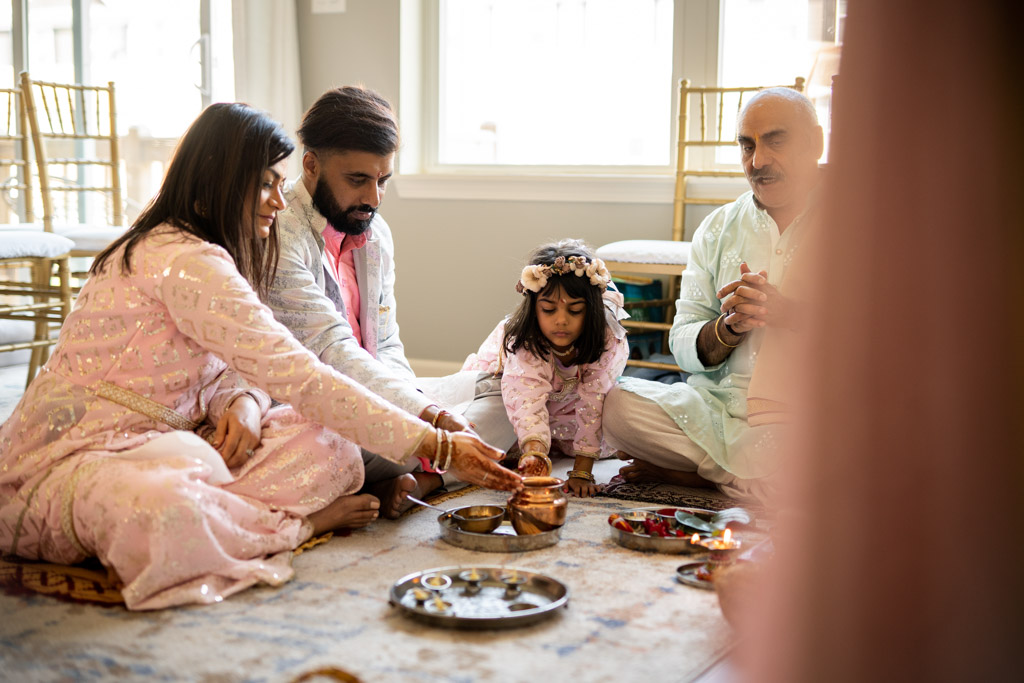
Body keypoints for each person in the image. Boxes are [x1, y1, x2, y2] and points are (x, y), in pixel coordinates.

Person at [0, 103, 520, 611]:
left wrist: (244, 401)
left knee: (332, 438)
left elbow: (230, 362)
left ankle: (232, 512)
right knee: (162, 511)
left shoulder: (223, 250)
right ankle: (298, 525)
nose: (277, 199)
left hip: (187, 438)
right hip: (84, 455)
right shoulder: (181, 257)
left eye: (279, 182)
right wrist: (436, 441)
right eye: (267, 183)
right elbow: (301, 371)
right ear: (220, 180)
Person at [265, 86, 516, 518]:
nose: (374, 198)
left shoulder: (374, 232)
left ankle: (423, 477)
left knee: (510, 398)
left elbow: (387, 344)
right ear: (311, 165)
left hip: (382, 400)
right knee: (336, 446)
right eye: (358, 179)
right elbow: (334, 353)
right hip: (316, 413)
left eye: (383, 180)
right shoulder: (279, 232)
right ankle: (422, 465)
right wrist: (432, 423)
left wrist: (419, 410)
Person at [601, 87, 823, 500]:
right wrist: (728, 328)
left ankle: (702, 476)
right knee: (615, 407)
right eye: (747, 145)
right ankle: (756, 480)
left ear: (816, 142)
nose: (758, 161)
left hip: (810, 414)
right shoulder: (718, 227)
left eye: (776, 140)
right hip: (718, 409)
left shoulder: (860, 220)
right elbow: (681, 340)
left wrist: (788, 313)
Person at [462, 240, 629, 497]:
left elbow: (595, 398)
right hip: (509, 392)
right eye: (548, 310)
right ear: (534, 308)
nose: (561, 320)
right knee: (484, 433)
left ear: (592, 311)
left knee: (614, 412)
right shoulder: (525, 340)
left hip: (569, 402)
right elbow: (525, 399)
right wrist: (535, 454)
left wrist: (582, 471)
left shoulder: (607, 336)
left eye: (575, 311)